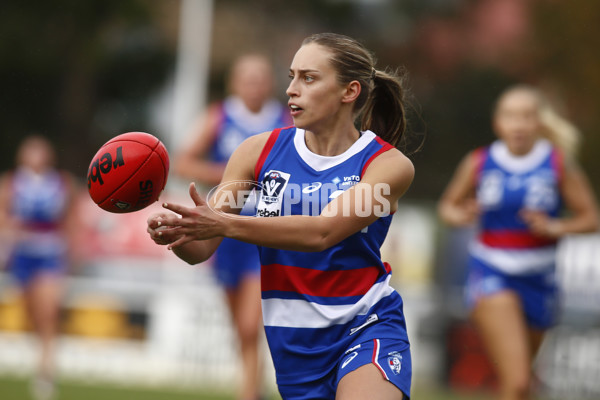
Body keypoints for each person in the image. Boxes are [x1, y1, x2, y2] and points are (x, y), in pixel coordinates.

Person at [147, 33, 415, 399]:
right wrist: (177, 234)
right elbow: (204, 246)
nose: (291, 89)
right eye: (291, 76)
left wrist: (224, 223)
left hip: (365, 324)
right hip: (294, 345)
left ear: (349, 92)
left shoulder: (387, 165)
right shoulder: (255, 152)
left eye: (308, 78)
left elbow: (323, 232)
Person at [438, 84, 599, 400]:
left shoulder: (556, 163)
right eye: (511, 116)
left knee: (521, 387)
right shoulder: (480, 162)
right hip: (492, 272)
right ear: (498, 122)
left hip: (541, 279)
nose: (519, 124)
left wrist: (555, 227)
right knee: (519, 381)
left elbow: (591, 219)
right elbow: (447, 208)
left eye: (527, 116)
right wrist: (464, 214)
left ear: (539, 122)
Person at [174, 53, 291, 400]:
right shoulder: (220, 116)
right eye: (247, 79)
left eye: (260, 78)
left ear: (269, 84)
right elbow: (183, 161)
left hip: (263, 230)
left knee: (250, 322)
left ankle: (248, 393)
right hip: (225, 231)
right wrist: (232, 175)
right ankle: (255, 383)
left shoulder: (284, 121)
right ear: (234, 83)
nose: (254, 85)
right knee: (238, 325)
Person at [0, 135, 79, 400]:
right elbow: (3, 218)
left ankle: (46, 375)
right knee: (31, 315)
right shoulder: (11, 183)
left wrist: (73, 253)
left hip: (50, 255)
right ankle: (39, 361)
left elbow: (71, 221)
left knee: (48, 313)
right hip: (22, 255)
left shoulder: (61, 183)